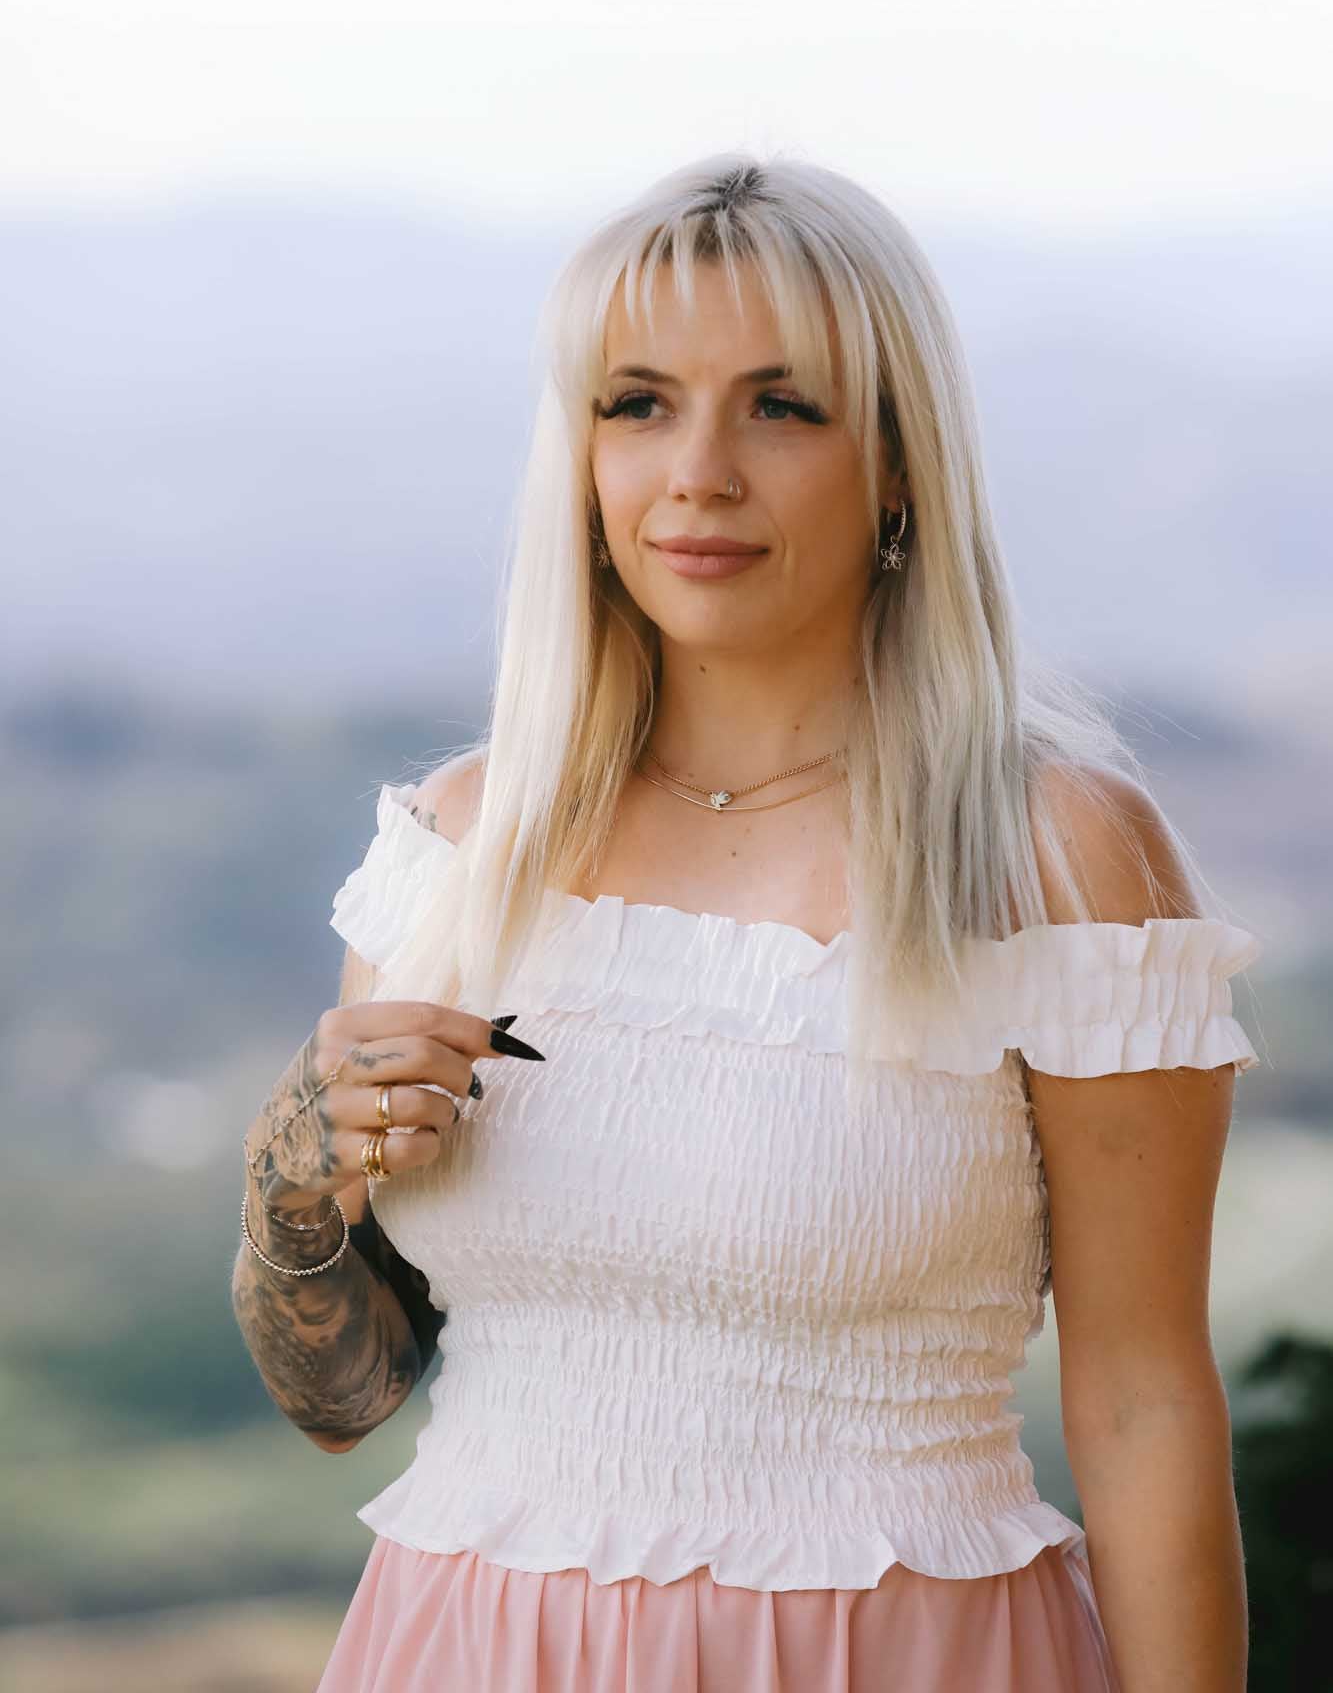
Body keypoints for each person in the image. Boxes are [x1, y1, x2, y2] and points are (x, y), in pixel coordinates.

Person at [233, 153, 1264, 1691]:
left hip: (901, 1649)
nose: (697, 470)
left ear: (901, 459)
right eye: (636, 402)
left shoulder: (1055, 860)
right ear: (575, 454)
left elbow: (1139, 1402)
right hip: (466, 1647)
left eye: (781, 407)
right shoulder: (458, 847)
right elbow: (342, 1399)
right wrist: (291, 1176)